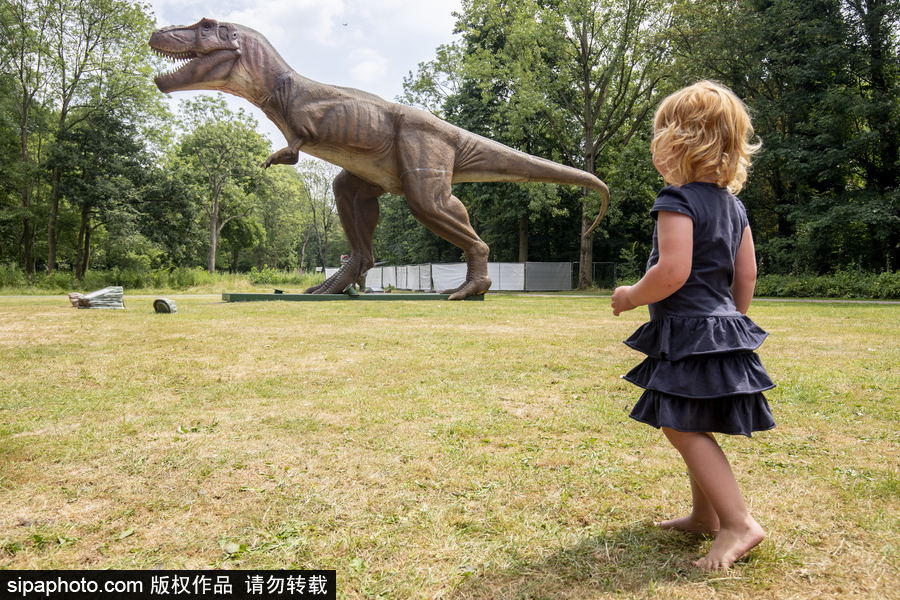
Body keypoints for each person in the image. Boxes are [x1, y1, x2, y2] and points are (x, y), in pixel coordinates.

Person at [611, 80, 775, 571]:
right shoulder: (734, 206)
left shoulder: (675, 199)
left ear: (675, 142)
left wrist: (630, 296)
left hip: (689, 327)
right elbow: (745, 274)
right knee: (693, 420)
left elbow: (672, 272)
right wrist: (733, 324)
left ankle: (738, 523)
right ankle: (704, 516)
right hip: (722, 325)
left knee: (678, 424)